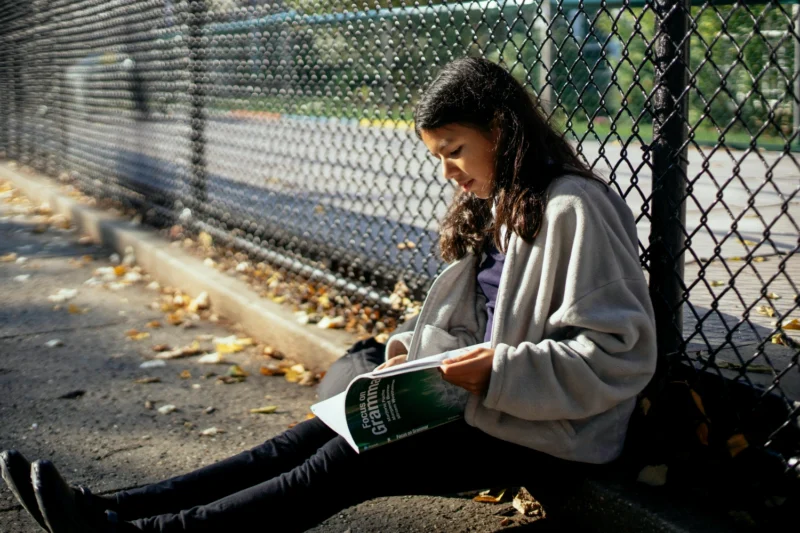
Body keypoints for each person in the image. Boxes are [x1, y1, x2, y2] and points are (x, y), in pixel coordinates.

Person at [0, 57, 657, 533]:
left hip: (548, 431)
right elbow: (482, 319)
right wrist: (413, 353)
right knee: (312, 432)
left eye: (455, 150)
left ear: (501, 130)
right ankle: (121, 506)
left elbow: (616, 356)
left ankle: (142, 530)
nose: (449, 172)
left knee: (341, 460)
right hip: (482, 405)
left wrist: (495, 369)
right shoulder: (503, 203)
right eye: (438, 157)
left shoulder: (574, 206)